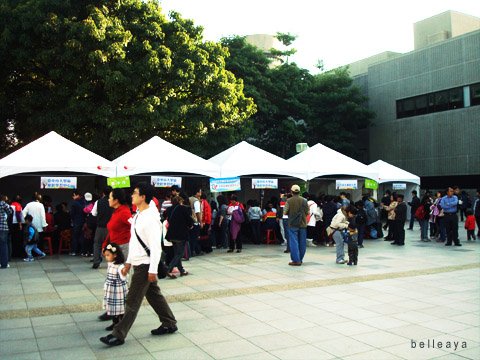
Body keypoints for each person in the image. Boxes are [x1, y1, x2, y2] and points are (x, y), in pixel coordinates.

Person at [100, 182, 177, 347]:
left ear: (143, 197)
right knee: (154, 295)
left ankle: (118, 334)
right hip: (139, 263)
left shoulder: (150, 219)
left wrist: (153, 270)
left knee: (132, 301)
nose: (132, 195)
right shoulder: (138, 215)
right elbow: (135, 243)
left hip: (145, 266)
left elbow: (156, 247)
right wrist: (128, 263)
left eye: (135, 193)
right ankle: (169, 322)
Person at [165, 194, 193, 278]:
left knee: (177, 253)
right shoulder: (183, 208)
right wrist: (190, 225)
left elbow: (165, 217)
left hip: (171, 234)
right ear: (180, 201)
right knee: (180, 254)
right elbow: (189, 219)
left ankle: (181, 270)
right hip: (180, 234)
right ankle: (168, 269)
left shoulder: (169, 209)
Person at [102, 243, 128, 331]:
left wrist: (125, 270)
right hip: (111, 289)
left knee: (119, 307)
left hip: (118, 290)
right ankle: (115, 322)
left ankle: (120, 323)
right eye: (105, 255)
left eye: (108, 255)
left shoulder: (119, 266)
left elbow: (123, 277)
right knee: (112, 307)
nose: (106, 257)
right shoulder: (110, 264)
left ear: (115, 255)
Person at [283, 185, 309, 266]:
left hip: (292, 223)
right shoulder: (304, 200)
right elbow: (307, 212)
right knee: (302, 242)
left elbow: (285, 212)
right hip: (303, 223)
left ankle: (296, 260)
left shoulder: (289, 201)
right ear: (299, 191)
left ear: (291, 191)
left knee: (294, 242)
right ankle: (300, 259)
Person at [92, 187, 114, 269]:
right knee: (112, 245)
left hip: (100, 227)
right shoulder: (114, 201)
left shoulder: (98, 202)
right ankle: (113, 261)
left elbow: (93, 213)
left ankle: (96, 261)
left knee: (97, 244)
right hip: (111, 227)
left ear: (103, 193)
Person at [70, 191, 86, 256]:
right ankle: (82, 251)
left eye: (74, 195)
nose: (73, 197)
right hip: (83, 221)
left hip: (76, 221)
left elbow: (72, 214)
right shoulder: (84, 202)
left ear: (78, 195)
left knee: (75, 237)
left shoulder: (74, 203)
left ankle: (74, 251)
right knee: (82, 236)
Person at [188, 188, 203, 258]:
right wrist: (200, 222)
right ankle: (193, 251)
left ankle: (193, 250)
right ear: (197, 193)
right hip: (195, 221)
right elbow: (198, 212)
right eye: (200, 192)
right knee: (195, 237)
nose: (201, 193)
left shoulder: (189, 199)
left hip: (189, 220)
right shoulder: (196, 201)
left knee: (191, 237)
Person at [0, 195, 13, 268]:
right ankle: (4, 263)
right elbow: (10, 211)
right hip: (3, 227)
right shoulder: (3, 203)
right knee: (3, 245)